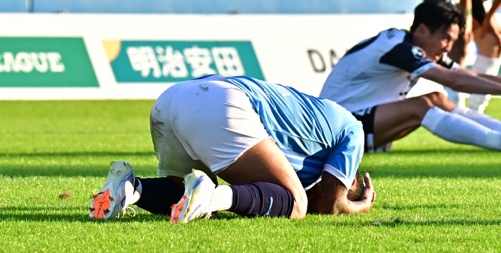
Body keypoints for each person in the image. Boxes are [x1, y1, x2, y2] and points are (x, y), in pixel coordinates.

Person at [89, 74, 376, 223]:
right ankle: (211, 198)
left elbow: (322, 198)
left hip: (173, 98)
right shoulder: (353, 131)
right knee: (295, 203)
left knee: (186, 193)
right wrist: (358, 205)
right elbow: (329, 206)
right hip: (219, 103)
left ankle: (129, 189)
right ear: (349, 178)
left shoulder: (313, 135)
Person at [320, 1, 501, 153]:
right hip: (337, 130)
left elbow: (470, 75)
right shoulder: (400, 48)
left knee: (437, 98)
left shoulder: (414, 46)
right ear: (422, 30)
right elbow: (455, 82)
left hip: (356, 122)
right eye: (446, 38)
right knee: (422, 105)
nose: (448, 47)